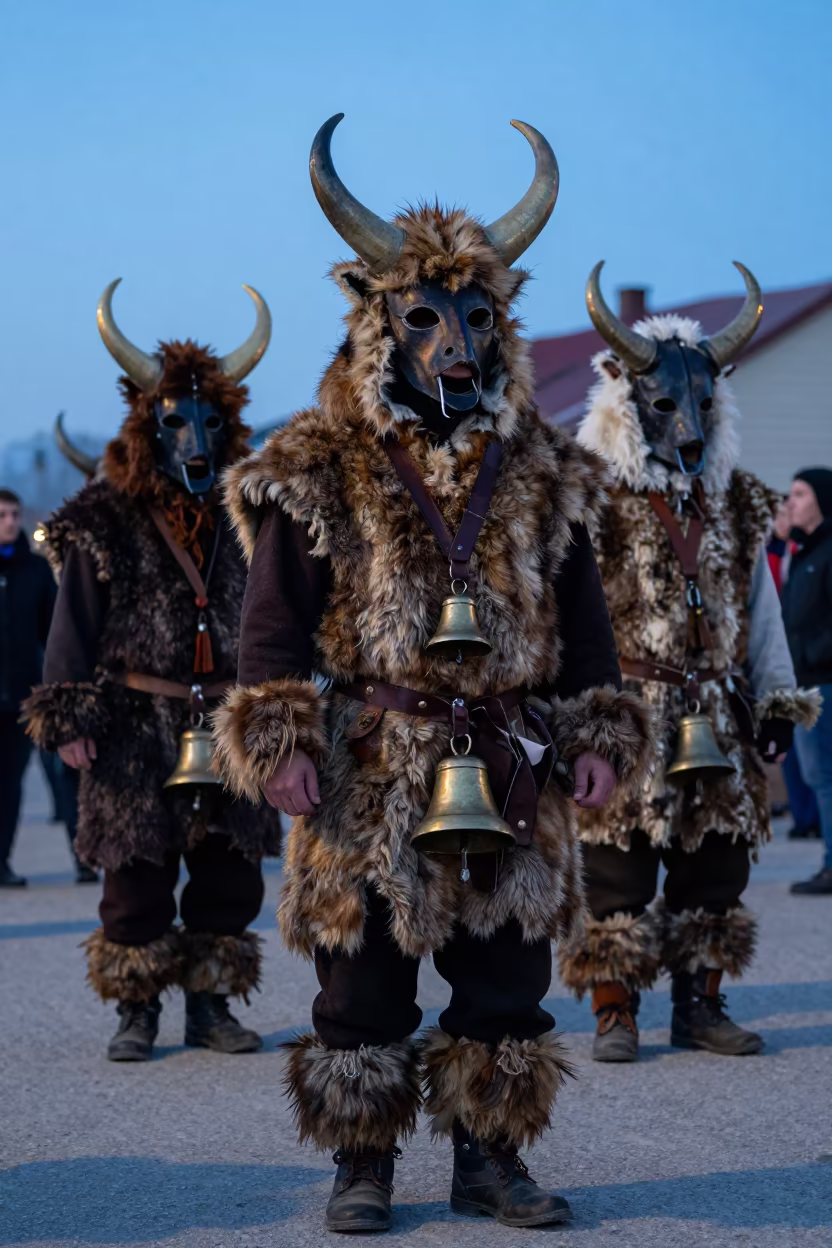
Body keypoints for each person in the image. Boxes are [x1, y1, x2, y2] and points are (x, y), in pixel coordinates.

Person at [214, 115, 654, 1234]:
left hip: (510, 756)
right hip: (369, 763)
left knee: (505, 976)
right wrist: (280, 740)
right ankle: (361, 1164)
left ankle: (490, 1162)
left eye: (476, 316)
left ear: (502, 324)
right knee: (360, 977)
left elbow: (585, 623)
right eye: (424, 318)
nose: (454, 340)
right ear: (379, 323)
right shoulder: (315, 463)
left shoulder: (550, 471)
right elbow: (273, 621)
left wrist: (600, 735)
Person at [558, 263, 820, 1062]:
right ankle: (615, 1009)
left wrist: (777, 703)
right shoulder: (591, 499)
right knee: (615, 866)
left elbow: (763, 611)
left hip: (716, 710)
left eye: (703, 406)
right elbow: (562, 619)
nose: (689, 425)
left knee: (717, 864)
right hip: (625, 711)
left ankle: (700, 1007)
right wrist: (568, 719)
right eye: (668, 407)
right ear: (628, 404)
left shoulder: (738, 501)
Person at [24, 280, 282, 1060]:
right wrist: (68, 717)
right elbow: (72, 622)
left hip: (227, 719)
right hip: (133, 722)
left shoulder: (252, 513)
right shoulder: (102, 519)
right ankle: (135, 1011)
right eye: (176, 423)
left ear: (228, 427)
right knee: (134, 870)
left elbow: (278, 616)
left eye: (209, 423)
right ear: (148, 429)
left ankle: (211, 1006)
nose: (194, 441)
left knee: (228, 869)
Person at [0, 489, 57, 887]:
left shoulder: (36, 571)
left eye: (14, 514)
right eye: (2, 515)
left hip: (19, 701)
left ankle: (1, 861)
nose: (9, 521)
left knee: (9, 786)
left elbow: (53, 634)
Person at [781, 468, 832, 895]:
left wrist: (814, 654)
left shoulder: (827, 551)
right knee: (819, 778)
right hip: (804, 681)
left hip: (824, 680)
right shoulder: (804, 551)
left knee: (826, 777)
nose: (790, 502)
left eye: (800, 493)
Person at [767, 500, 820, 839]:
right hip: (782, 659)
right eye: (779, 514)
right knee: (793, 752)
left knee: (815, 754)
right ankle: (803, 818)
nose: (783, 518)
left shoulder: (806, 552)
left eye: (787, 512)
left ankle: (812, 818)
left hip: (806, 664)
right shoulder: (772, 553)